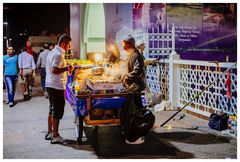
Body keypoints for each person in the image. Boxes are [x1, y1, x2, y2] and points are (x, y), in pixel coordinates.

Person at [45, 34, 73, 144]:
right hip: (56, 86)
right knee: (56, 111)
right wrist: (67, 68)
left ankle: (50, 132)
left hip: (50, 84)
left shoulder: (52, 52)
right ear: (63, 44)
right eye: (68, 45)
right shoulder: (58, 55)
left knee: (52, 109)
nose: (69, 47)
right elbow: (54, 70)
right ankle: (55, 136)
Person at [121, 35, 146, 144]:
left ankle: (136, 133)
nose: (124, 48)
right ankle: (137, 130)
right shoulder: (131, 55)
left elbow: (138, 71)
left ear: (130, 44)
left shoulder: (137, 55)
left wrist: (127, 76)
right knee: (136, 108)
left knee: (135, 110)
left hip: (136, 86)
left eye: (125, 45)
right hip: (132, 86)